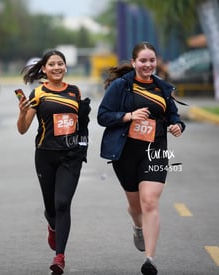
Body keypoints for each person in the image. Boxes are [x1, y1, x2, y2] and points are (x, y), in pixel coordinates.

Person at [97, 41, 186, 275]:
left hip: (155, 150)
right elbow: (103, 116)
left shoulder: (164, 88)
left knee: (150, 201)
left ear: (157, 62)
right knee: (136, 206)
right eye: (143, 60)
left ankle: (150, 259)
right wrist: (128, 116)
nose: (148, 64)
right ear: (134, 62)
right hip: (125, 152)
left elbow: (174, 116)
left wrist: (177, 126)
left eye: (152, 60)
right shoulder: (121, 86)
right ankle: (138, 226)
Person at [17, 50, 90, 275]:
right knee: (51, 209)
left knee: (62, 204)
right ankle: (51, 226)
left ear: (65, 67)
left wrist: (82, 147)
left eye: (60, 63)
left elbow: (82, 123)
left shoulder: (74, 91)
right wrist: (22, 113)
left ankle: (59, 257)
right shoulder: (38, 93)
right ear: (45, 69)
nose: (57, 67)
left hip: (70, 156)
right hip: (45, 156)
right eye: (52, 64)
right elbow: (22, 130)